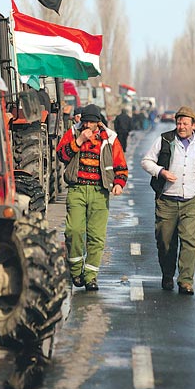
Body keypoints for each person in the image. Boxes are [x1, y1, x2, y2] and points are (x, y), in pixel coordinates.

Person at [141, 106, 195, 295]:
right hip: (166, 201)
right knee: (165, 242)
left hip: (191, 200)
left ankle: (186, 281)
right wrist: (161, 172)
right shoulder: (165, 139)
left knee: (190, 242)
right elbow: (146, 161)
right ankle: (167, 275)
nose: (181, 126)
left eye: (185, 123)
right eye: (179, 122)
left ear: (193, 125)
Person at [56, 103, 128, 291]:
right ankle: (76, 271)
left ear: (98, 123)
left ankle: (90, 277)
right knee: (74, 231)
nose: (87, 126)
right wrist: (79, 141)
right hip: (77, 189)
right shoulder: (73, 134)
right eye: (85, 122)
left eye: (91, 123)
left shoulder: (110, 139)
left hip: (99, 191)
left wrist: (119, 184)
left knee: (96, 237)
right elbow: (62, 155)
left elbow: (121, 165)